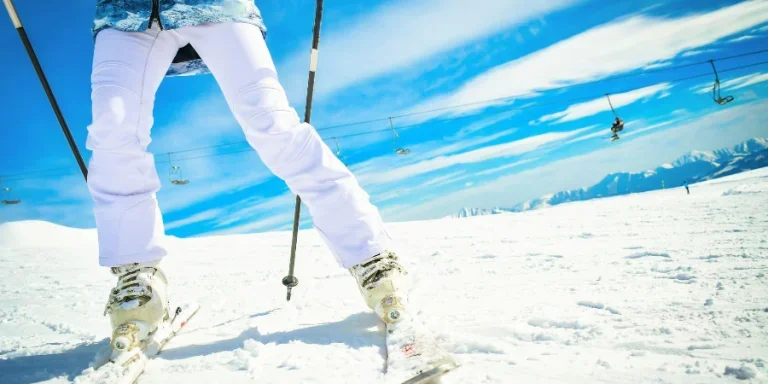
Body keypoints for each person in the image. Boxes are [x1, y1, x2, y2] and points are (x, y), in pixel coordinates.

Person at [89, 1, 409, 356]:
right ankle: (136, 276)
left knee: (272, 124)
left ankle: (372, 257)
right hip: (125, 14)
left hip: (216, 6)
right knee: (113, 133)